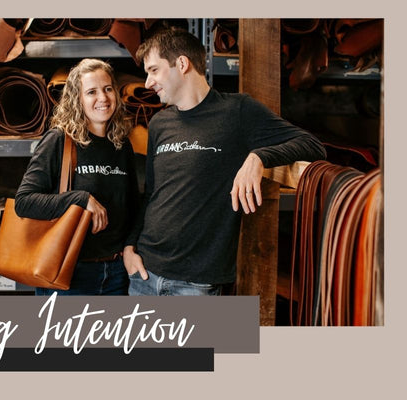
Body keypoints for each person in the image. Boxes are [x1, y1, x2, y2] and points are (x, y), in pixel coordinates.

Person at [123, 28, 326, 296]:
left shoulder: (237, 111)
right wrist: (130, 247)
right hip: (145, 274)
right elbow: (151, 193)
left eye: (153, 70)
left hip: (196, 284)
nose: (148, 83)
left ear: (181, 64)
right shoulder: (160, 123)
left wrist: (259, 157)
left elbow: (313, 146)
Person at [15, 58, 139, 296]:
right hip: (69, 274)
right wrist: (80, 198)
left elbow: (133, 205)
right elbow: (24, 202)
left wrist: (130, 247)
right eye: (91, 92)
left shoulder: (121, 145)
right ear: (77, 99)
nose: (102, 98)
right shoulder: (60, 141)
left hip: (116, 275)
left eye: (108, 89)